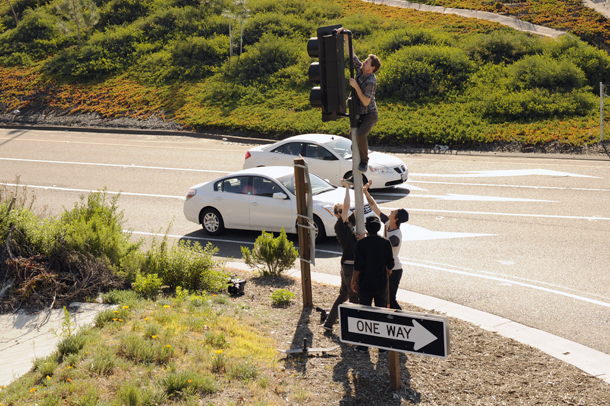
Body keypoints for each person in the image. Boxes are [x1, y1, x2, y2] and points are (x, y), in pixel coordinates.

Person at [337, 27, 381, 174]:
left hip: (369, 114)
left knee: (360, 134)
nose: (364, 63)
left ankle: (364, 161)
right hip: (358, 112)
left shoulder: (371, 80)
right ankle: (356, 151)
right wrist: (346, 36)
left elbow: (366, 102)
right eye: (366, 61)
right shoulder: (360, 70)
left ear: (372, 68)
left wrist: (355, 86)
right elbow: (352, 54)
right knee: (352, 134)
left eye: (367, 62)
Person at [322, 179, 364, 332]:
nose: (343, 212)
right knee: (354, 298)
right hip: (350, 267)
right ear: (336, 215)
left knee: (343, 296)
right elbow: (347, 206)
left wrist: (363, 191)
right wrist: (347, 187)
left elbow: (359, 208)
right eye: (340, 211)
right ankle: (352, 330)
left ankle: (328, 323)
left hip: (347, 266)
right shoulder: (340, 226)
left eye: (343, 211)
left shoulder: (349, 223)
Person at [363, 180, 409, 309]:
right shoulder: (389, 223)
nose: (392, 210)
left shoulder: (396, 235)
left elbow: (386, 245)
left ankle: (404, 320)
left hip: (394, 270)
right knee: (384, 299)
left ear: (397, 218)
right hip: (387, 269)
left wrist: (368, 236)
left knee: (391, 300)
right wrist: (366, 192)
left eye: (394, 211)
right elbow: (374, 206)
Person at [351, 216, 394, 308]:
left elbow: (357, 265)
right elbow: (390, 263)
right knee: (381, 310)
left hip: (365, 283)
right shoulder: (386, 242)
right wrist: (389, 270)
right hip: (381, 283)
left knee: (365, 310)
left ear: (367, 228)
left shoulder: (361, 244)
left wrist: (353, 280)